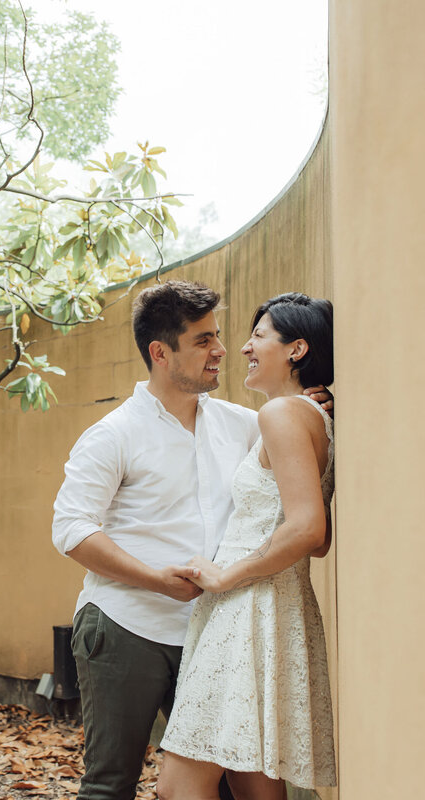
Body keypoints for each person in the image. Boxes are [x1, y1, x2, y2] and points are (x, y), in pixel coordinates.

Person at [51, 281, 331, 800]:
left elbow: (293, 456)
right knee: (110, 785)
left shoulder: (246, 424)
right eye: (203, 341)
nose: (221, 349)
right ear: (161, 353)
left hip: (219, 630)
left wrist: (308, 403)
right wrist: (155, 579)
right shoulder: (114, 433)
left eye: (218, 336)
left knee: (222, 784)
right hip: (128, 625)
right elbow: (71, 528)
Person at [156, 292, 337, 800]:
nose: (244, 348)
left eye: (259, 336)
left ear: (297, 349)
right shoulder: (313, 415)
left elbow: (309, 531)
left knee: (178, 787)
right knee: (251, 785)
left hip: (248, 611)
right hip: (274, 607)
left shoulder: (282, 414)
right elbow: (317, 540)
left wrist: (224, 576)